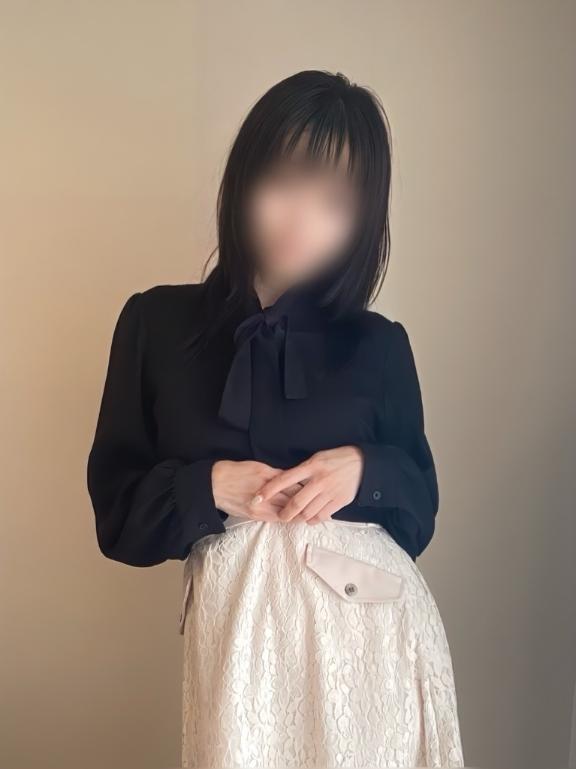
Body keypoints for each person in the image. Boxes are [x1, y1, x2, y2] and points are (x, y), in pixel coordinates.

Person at [87, 69, 464, 768]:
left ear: (362, 220)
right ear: (244, 179)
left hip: (370, 649)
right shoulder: (156, 324)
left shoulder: (379, 344)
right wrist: (209, 487)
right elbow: (118, 519)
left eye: (334, 203)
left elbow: (419, 515)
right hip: (236, 654)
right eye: (284, 183)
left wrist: (364, 470)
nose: (301, 220)